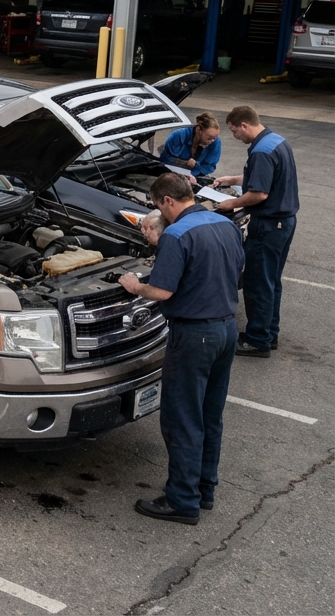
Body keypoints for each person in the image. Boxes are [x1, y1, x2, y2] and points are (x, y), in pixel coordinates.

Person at [120, 173, 244, 525]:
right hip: (225, 329)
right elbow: (239, 272)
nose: (161, 212)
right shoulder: (224, 224)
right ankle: (205, 489)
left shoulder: (175, 235)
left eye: (158, 206)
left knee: (183, 418)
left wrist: (134, 285)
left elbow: (162, 292)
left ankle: (182, 500)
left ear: (167, 202)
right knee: (209, 415)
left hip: (193, 337)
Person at [214, 106, 299, 358]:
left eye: (233, 131)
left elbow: (260, 193)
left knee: (258, 282)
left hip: (269, 225)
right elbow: (264, 177)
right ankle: (268, 333)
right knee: (272, 280)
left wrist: (231, 203)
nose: (234, 136)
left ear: (243, 125)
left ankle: (257, 340)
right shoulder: (275, 140)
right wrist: (232, 179)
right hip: (285, 223)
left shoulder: (261, 151)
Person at [158, 113, 222, 179]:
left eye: (215, 137)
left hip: (195, 177)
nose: (212, 141)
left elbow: (210, 167)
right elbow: (165, 159)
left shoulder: (216, 143)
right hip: (172, 175)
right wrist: (184, 163)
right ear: (199, 130)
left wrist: (196, 165)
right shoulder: (179, 136)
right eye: (209, 138)